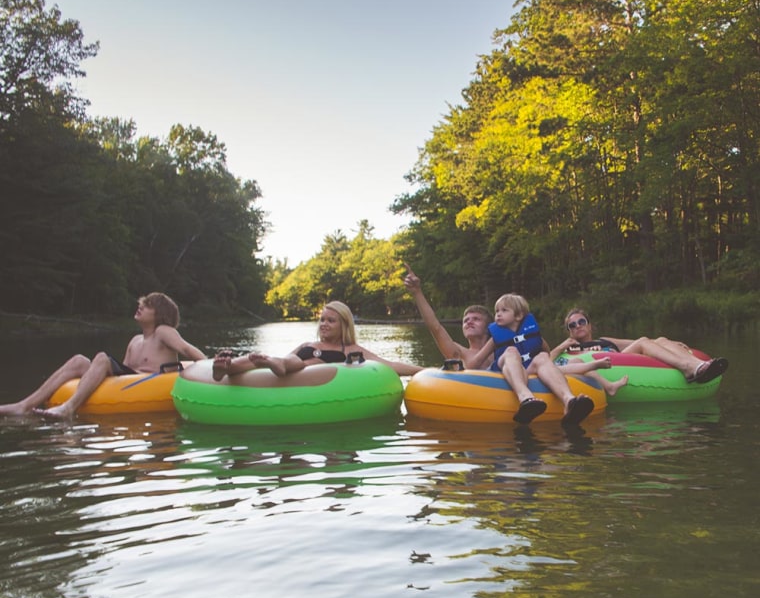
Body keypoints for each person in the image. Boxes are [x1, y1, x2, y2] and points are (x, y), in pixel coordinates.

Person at [403, 263, 625, 400]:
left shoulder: (508, 342)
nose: (469, 322)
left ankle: (573, 396)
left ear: (492, 326)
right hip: (482, 397)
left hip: (529, 376)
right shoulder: (459, 354)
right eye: (465, 320)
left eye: (476, 319)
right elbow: (435, 327)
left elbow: (543, 351)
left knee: (546, 361)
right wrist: (417, 293)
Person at [0, 292, 206, 421]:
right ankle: (24, 406)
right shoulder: (135, 340)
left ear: (160, 315)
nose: (140, 305)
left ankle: (68, 408)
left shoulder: (163, 331)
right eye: (142, 302)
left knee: (101, 357)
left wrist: (209, 367)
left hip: (155, 380)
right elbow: (122, 377)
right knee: (80, 360)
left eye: (148, 305)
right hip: (134, 379)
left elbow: (188, 350)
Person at [212, 300, 422, 380]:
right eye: (322, 320)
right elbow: (290, 356)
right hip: (289, 362)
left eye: (331, 321)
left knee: (293, 363)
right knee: (262, 359)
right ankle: (225, 367)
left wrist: (422, 370)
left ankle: (273, 363)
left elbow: (390, 365)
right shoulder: (307, 345)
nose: (324, 324)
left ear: (344, 326)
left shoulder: (349, 349)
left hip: (303, 369)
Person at [469, 293, 595, 425]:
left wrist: (553, 367)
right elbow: (475, 362)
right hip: (506, 372)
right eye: (497, 311)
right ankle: (526, 398)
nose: (498, 314)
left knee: (542, 356)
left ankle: (569, 401)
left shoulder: (534, 336)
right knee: (511, 351)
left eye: (504, 310)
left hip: (528, 371)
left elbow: (548, 355)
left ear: (518, 315)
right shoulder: (495, 339)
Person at [551, 308, 729, 384]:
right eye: (572, 325)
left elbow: (638, 343)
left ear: (590, 325)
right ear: (569, 332)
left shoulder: (604, 340)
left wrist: (669, 342)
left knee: (658, 339)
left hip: (622, 357)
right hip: (609, 365)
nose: (578, 326)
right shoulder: (570, 348)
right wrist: (560, 347)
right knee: (644, 340)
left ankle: (697, 365)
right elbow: (548, 361)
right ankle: (688, 368)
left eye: (581, 321)